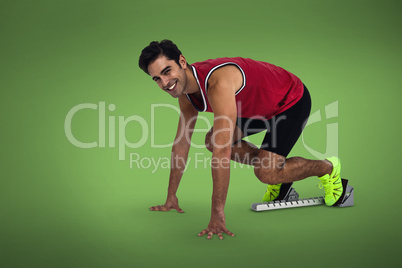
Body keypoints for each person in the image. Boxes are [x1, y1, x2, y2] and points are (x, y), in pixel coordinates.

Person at [138, 40, 343, 240]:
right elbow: (181, 143)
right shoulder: (185, 92)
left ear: (182, 62)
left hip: (289, 100)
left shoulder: (217, 83)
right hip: (257, 110)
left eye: (167, 71)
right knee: (213, 140)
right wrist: (171, 197)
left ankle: (328, 168)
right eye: (156, 78)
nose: (165, 83)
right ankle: (279, 176)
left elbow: (222, 153)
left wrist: (217, 215)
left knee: (265, 172)